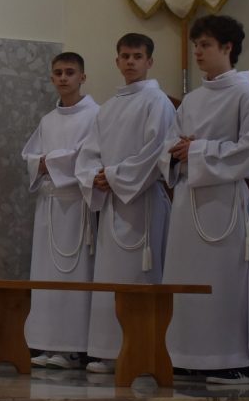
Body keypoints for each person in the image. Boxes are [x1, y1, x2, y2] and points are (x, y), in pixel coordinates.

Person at [161, 15, 249, 385]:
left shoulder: (247, 96)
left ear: (227, 47)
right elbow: (170, 145)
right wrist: (175, 152)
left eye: (205, 45)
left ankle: (229, 359)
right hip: (187, 202)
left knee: (224, 280)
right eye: (196, 45)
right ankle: (185, 355)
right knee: (185, 278)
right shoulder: (192, 100)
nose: (197, 52)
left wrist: (197, 150)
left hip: (224, 204)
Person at [75, 33, 175, 373]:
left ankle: (142, 350)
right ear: (117, 61)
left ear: (149, 61)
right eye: (125, 56)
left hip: (143, 203)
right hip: (113, 204)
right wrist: (94, 176)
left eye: (137, 56)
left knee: (140, 276)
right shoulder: (108, 107)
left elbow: (156, 151)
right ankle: (108, 351)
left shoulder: (157, 102)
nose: (130, 61)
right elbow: (89, 152)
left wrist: (114, 176)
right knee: (109, 277)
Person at [22, 52, 99, 370]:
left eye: (70, 72)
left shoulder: (95, 115)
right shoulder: (48, 120)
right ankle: (47, 343)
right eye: (58, 73)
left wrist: (46, 162)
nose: (63, 78)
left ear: (83, 77)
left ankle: (73, 347)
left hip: (76, 204)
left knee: (74, 272)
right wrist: (41, 162)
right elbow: (30, 156)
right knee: (45, 273)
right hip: (48, 204)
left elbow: (85, 156)